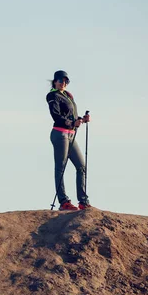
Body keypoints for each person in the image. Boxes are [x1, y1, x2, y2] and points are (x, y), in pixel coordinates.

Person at [46, 70, 91, 210]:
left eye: (66, 81)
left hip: (71, 134)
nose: (63, 83)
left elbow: (71, 116)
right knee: (61, 167)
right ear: (55, 81)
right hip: (60, 134)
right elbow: (56, 116)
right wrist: (72, 123)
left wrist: (81, 120)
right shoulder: (52, 95)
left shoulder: (68, 95)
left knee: (81, 166)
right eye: (60, 80)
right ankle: (64, 201)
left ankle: (83, 201)